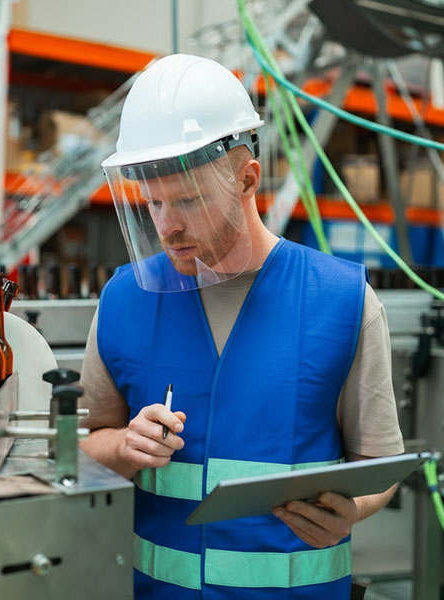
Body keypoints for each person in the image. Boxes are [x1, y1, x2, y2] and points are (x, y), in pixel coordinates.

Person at [79, 54, 404, 599]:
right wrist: (121, 448)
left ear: (246, 180)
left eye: (188, 200)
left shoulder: (342, 301)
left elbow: (380, 464)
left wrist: (353, 509)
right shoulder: (124, 299)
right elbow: (81, 448)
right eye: (154, 202)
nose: (167, 226)